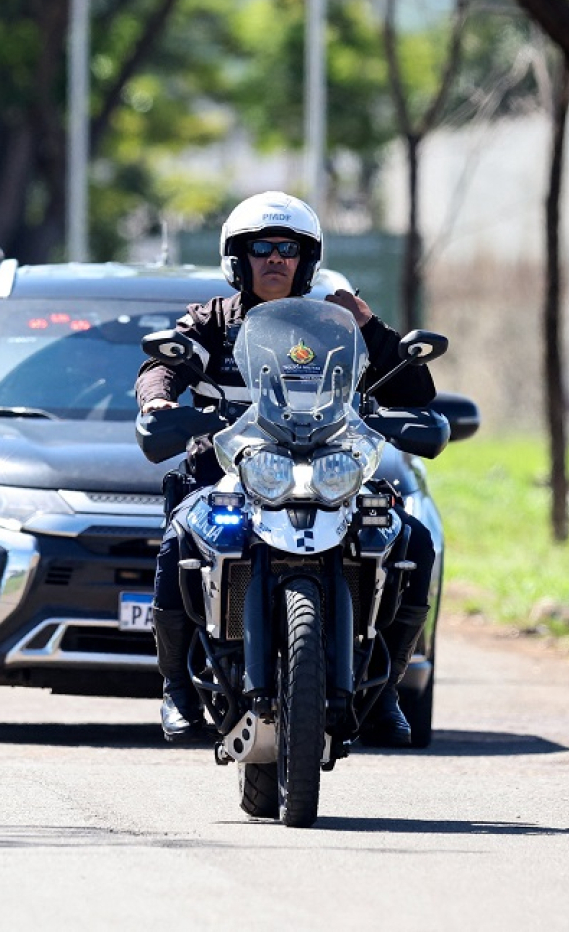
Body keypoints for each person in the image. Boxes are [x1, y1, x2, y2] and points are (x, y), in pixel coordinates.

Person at [135, 191, 437, 747]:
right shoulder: (212, 321)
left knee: (411, 540)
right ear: (237, 259)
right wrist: (158, 401)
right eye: (261, 248)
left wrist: (369, 325)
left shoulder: (335, 323)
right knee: (178, 541)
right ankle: (176, 686)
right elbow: (162, 364)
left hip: (326, 469)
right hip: (230, 470)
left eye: (288, 249)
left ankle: (387, 687)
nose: (275, 258)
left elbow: (413, 389)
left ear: (307, 260)